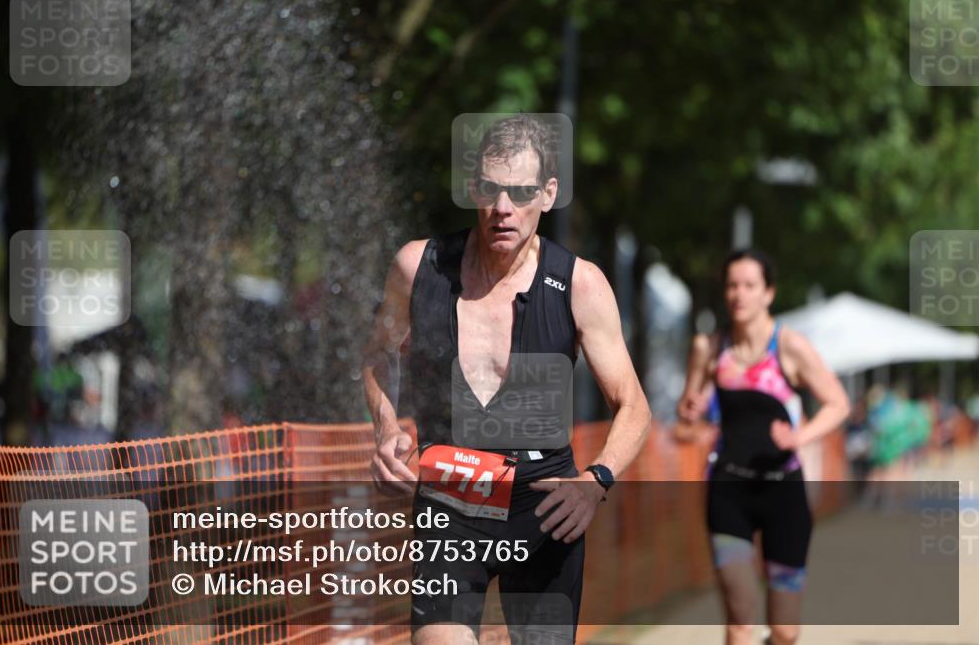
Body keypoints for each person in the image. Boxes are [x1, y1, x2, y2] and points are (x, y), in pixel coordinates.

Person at [362, 114, 651, 644]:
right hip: (452, 494)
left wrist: (596, 482)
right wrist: (386, 426)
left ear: (548, 193)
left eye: (520, 192)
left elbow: (632, 403)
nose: (502, 208)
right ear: (473, 186)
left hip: (545, 505)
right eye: (492, 189)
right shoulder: (418, 267)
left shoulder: (580, 285)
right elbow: (379, 356)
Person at [675, 248, 849, 645]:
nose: (739, 294)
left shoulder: (789, 347)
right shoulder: (709, 348)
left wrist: (799, 437)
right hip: (728, 492)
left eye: (750, 285)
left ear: (768, 293)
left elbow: (838, 403)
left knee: (785, 632)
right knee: (740, 620)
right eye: (732, 285)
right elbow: (688, 420)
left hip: (782, 492)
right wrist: (689, 410)